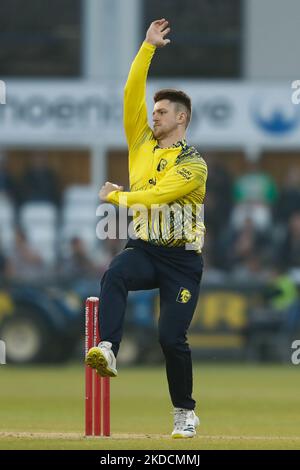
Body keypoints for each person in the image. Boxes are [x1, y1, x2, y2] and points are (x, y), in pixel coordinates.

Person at [86, 19, 207, 438]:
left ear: (181, 117)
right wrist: (147, 48)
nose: (152, 117)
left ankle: (184, 413)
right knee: (116, 272)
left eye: (161, 113)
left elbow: (156, 198)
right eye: (152, 112)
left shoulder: (193, 165)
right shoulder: (141, 142)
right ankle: (108, 348)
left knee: (170, 337)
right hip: (144, 248)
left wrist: (115, 197)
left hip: (182, 262)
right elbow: (129, 92)